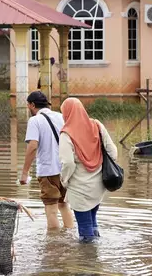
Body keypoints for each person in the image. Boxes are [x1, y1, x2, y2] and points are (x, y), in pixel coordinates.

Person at [59, 97, 118, 242]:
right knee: (92, 221)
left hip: (80, 189)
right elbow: (113, 152)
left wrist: (64, 180)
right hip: (99, 185)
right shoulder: (97, 125)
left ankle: (88, 261)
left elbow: (68, 163)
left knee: (85, 229)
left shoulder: (66, 134)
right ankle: (95, 252)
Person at [20, 91, 74, 230]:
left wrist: (24, 173)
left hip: (48, 171)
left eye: (28, 105)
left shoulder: (35, 120)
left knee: (51, 210)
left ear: (32, 105)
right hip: (65, 169)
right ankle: (70, 236)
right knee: (64, 205)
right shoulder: (61, 117)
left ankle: (53, 245)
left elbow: (32, 146)